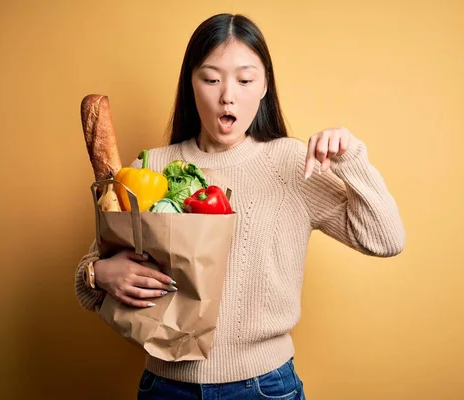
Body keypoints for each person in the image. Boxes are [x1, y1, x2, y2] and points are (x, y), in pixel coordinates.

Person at [75, 13, 405, 399]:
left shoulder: (291, 164)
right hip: (166, 388)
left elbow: (386, 239)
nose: (227, 95)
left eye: (245, 80)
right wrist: (98, 273)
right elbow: (89, 275)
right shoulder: (151, 167)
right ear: (191, 84)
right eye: (211, 79)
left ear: (265, 86)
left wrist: (351, 156)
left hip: (264, 387)